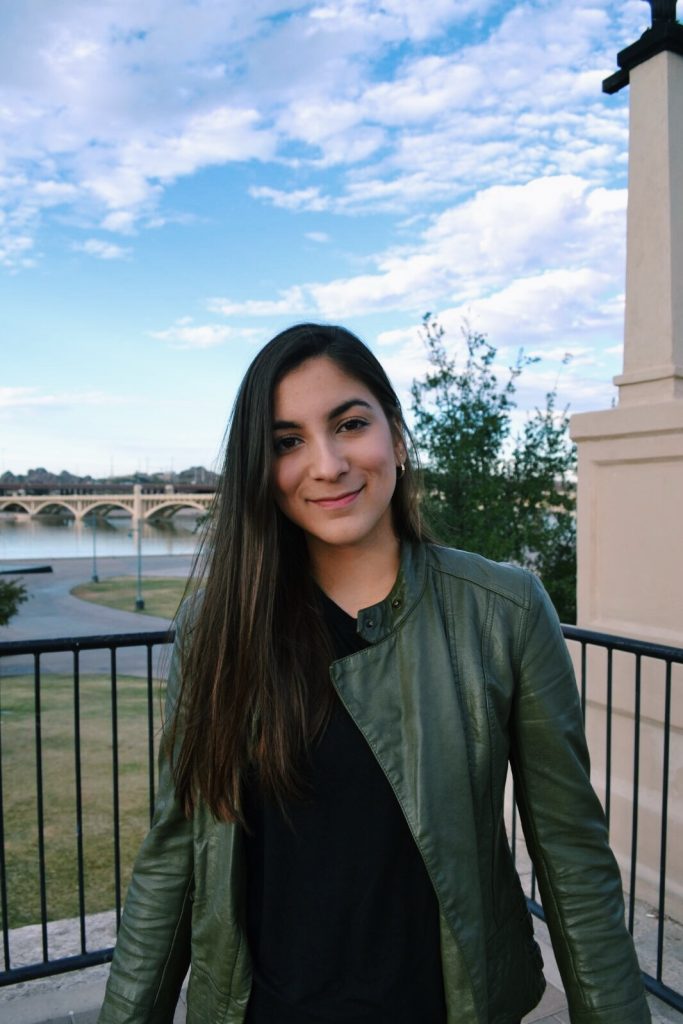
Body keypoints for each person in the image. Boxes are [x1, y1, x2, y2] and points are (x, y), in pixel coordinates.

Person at [99, 323, 650, 1024]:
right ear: (259, 470)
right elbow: (174, 851)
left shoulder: (503, 610)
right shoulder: (220, 626)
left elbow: (570, 856)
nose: (326, 464)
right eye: (286, 442)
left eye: (349, 424)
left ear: (393, 429)